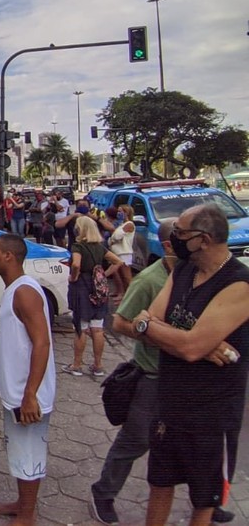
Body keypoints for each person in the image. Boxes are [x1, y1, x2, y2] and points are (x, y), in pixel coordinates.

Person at [88, 219, 234, 525]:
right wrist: (177, 340)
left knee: (201, 451)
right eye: (178, 237)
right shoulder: (151, 280)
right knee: (137, 440)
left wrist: (181, 338)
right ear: (170, 246)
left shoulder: (208, 278)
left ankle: (208, 499)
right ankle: (104, 492)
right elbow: (122, 322)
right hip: (154, 377)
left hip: (195, 385)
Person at [132, 205, 249, 526]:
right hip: (170, 405)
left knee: (204, 497)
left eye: (181, 233)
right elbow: (142, 323)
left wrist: (160, 330)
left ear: (205, 239)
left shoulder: (239, 283)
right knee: (159, 481)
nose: (174, 239)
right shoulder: (184, 270)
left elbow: (189, 348)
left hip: (211, 415)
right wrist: (157, 329)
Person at [0, 233, 57, 526]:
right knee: (18, 451)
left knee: (29, 453)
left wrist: (30, 395)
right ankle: (21, 503)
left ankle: (27, 515)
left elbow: (42, 344)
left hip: (28, 396)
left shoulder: (25, 292)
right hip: (14, 392)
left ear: (8, 256)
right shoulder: (13, 289)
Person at [63, 216, 122, 377]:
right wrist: (103, 274)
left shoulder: (78, 246)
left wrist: (73, 276)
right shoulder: (99, 247)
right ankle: (98, 365)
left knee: (81, 327)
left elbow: (76, 264)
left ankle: (76, 364)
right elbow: (118, 262)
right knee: (97, 328)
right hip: (99, 288)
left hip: (82, 286)